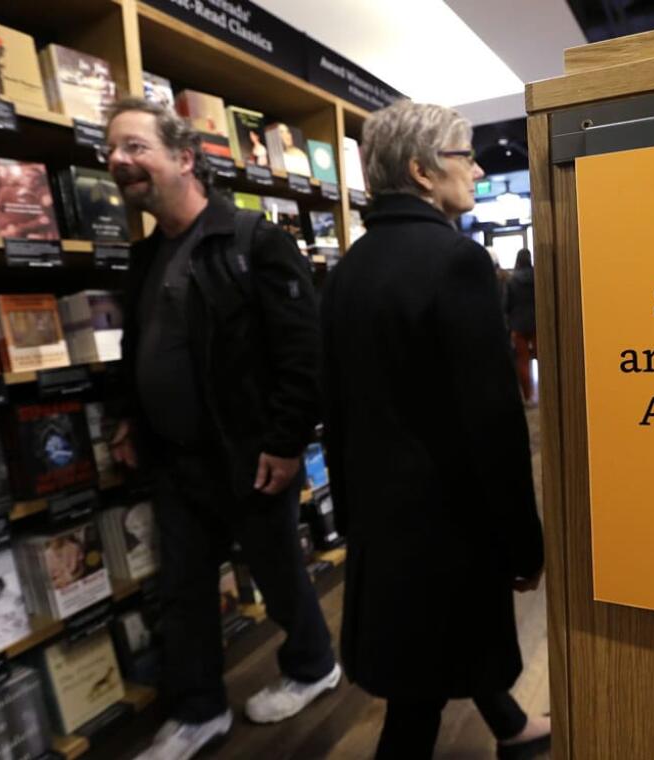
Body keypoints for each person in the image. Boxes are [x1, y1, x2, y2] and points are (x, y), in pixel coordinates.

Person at [102, 96, 339, 760]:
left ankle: (314, 666)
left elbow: (302, 353)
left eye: (134, 147)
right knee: (182, 589)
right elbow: (138, 345)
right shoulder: (147, 256)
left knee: (278, 571)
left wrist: (287, 441)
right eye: (112, 150)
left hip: (248, 453)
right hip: (174, 457)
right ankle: (200, 710)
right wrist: (129, 416)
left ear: (183, 157)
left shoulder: (256, 241)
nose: (119, 161)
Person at [320, 100, 549, 760]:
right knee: (417, 699)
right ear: (423, 171)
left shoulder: (348, 269)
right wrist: (522, 543)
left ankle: (508, 725)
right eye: (464, 155)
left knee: (427, 657)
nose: (476, 169)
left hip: (382, 520)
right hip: (448, 524)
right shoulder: (456, 261)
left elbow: (335, 407)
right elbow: (492, 420)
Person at [505, 249, 537, 403]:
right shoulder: (538, 277)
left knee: (523, 362)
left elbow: (506, 304)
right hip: (538, 324)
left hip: (518, 325)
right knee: (545, 360)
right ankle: (547, 394)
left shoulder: (512, 280)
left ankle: (528, 396)